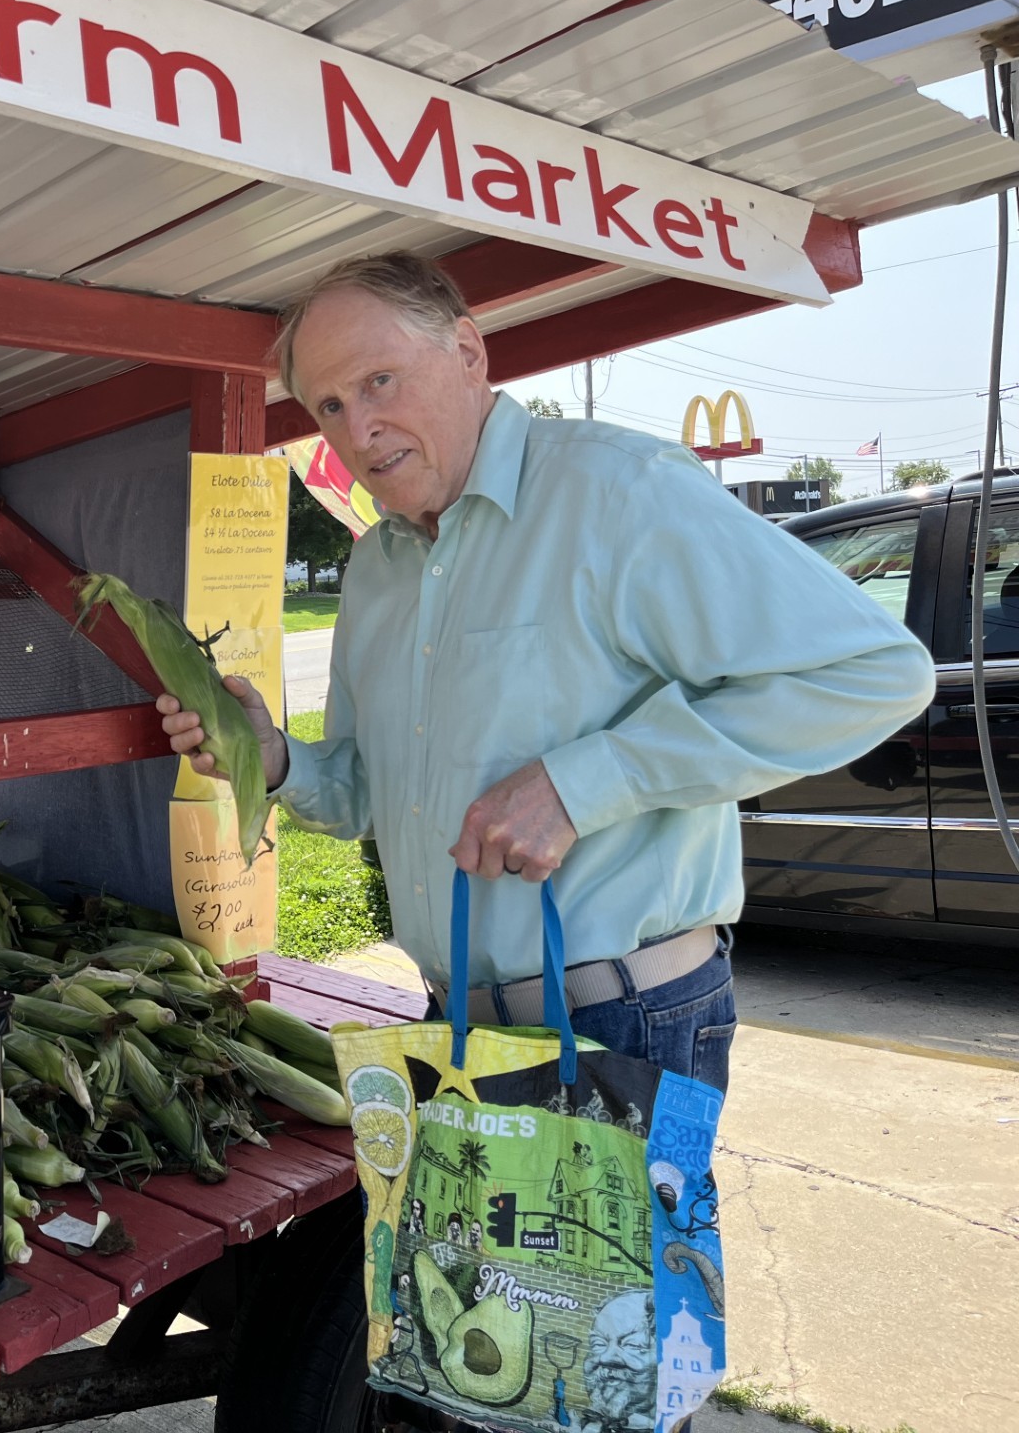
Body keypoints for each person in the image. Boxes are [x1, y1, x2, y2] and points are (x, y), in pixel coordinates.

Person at [159, 252, 934, 1093]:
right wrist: (273, 758)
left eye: (380, 380)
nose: (357, 429)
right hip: (451, 1021)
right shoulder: (378, 565)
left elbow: (874, 672)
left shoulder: (619, 492)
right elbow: (370, 794)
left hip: (621, 1019)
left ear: (467, 350)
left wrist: (581, 784)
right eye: (331, 405)